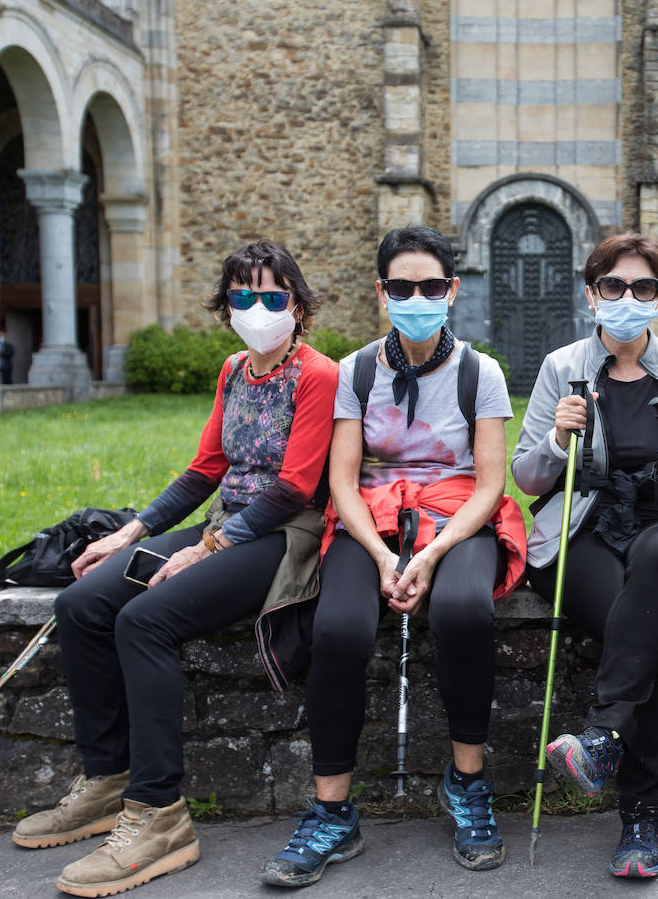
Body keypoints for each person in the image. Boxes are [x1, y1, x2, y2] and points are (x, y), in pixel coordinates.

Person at [9, 239, 338, 897]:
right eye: (242, 296)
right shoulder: (233, 371)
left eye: (272, 296)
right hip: (224, 527)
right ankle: (107, 779)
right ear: (226, 308)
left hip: (284, 536)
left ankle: (159, 815)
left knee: (144, 622)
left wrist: (204, 550)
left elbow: (295, 489)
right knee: (81, 604)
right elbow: (203, 470)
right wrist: (129, 533)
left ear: (298, 308)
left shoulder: (318, 375)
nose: (257, 307)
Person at [261, 225, 523, 887]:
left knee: (464, 611)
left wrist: (432, 553)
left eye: (430, 286)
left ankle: (467, 784)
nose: (416, 296)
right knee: (339, 627)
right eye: (401, 286)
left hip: (457, 516)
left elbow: (491, 482)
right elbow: (342, 481)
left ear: (452, 291)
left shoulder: (480, 371)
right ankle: (332, 810)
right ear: (382, 293)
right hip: (370, 517)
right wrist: (381, 556)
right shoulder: (356, 371)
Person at [512, 232, 658, 879]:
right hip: (582, 527)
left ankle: (601, 739)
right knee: (643, 630)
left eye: (644, 288)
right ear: (591, 293)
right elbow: (527, 477)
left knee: (656, 566)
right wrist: (554, 437)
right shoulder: (561, 368)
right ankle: (642, 816)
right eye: (614, 286)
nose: (628, 298)